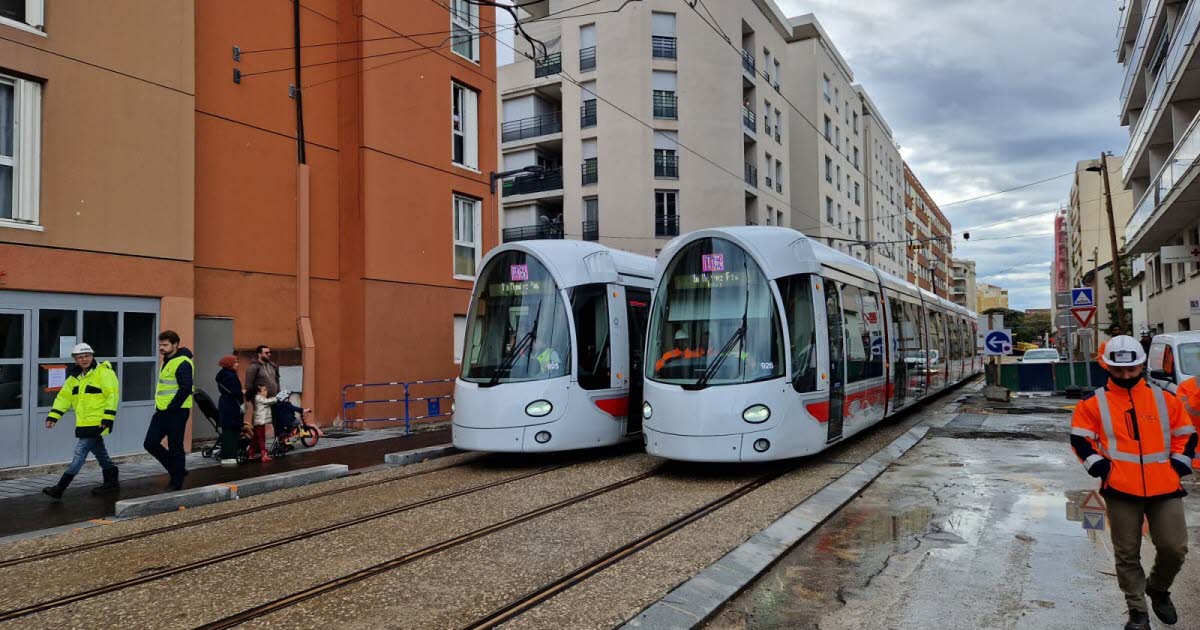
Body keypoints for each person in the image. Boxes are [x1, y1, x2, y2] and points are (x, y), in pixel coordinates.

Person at [1069, 336, 1196, 630]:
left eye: (1131, 369)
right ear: (1107, 367)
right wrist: (1101, 468)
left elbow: (1186, 434)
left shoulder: (1165, 399)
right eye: (1118, 370)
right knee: (1127, 553)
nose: (1126, 375)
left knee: (1174, 548)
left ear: (1141, 366)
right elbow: (1081, 439)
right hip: (1120, 489)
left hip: (1165, 487)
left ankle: (1158, 588)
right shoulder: (1092, 403)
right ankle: (1137, 611)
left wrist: (1178, 465)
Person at [42, 343, 121, 499]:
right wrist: (53, 416)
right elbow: (64, 398)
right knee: (100, 452)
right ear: (75, 359)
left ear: (92, 356)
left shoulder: (104, 373)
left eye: (87, 356)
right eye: (80, 357)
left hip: (98, 422)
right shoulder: (74, 378)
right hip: (83, 423)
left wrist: (108, 417)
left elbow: (112, 396)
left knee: (79, 455)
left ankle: (59, 488)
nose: (84, 359)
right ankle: (112, 481)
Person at [144, 330, 194, 491]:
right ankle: (177, 469)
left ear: (175, 344)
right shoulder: (167, 360)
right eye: (160, 345)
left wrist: (172, 407)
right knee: (150, 443)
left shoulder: (183, 362)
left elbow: (185, 388)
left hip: (177, 411)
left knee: (175, 446)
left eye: (165, 345)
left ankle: (176, 482)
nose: (161, 348)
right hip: (162, 410)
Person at [215, 355, 243, 464]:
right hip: (232, 405)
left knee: (227, 430)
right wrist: (242, 395)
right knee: (232, 431)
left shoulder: (222, 375)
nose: (237, 364)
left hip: (225, 404)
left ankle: (227, 455)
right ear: (229, 364)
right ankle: (230, 456)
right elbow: (236, 392)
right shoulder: (231, 376)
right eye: (235, 362)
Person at [244, 344, 280, 432]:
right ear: (259, 354)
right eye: (266, 353)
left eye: (270, 352)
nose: (269, 354)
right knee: (259, 422)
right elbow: (249, 384)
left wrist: (279, 394)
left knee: (276, 419)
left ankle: (277, 438)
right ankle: (257, 438)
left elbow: (277, 381)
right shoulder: (253, 367)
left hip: (274, 398)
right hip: (260, 399)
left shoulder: (273, 365)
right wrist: (251, 397)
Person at [249, 385, 276, 462]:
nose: (266, 392)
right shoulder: (258, 398)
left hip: (258, 421)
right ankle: (263, 455)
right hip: (259, 422)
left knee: (255, 438)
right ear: (259, 392)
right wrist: (277, 398)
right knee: (261, 438)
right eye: (265, 390)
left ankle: (251, 453)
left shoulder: (257, 397)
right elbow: (267, 401)